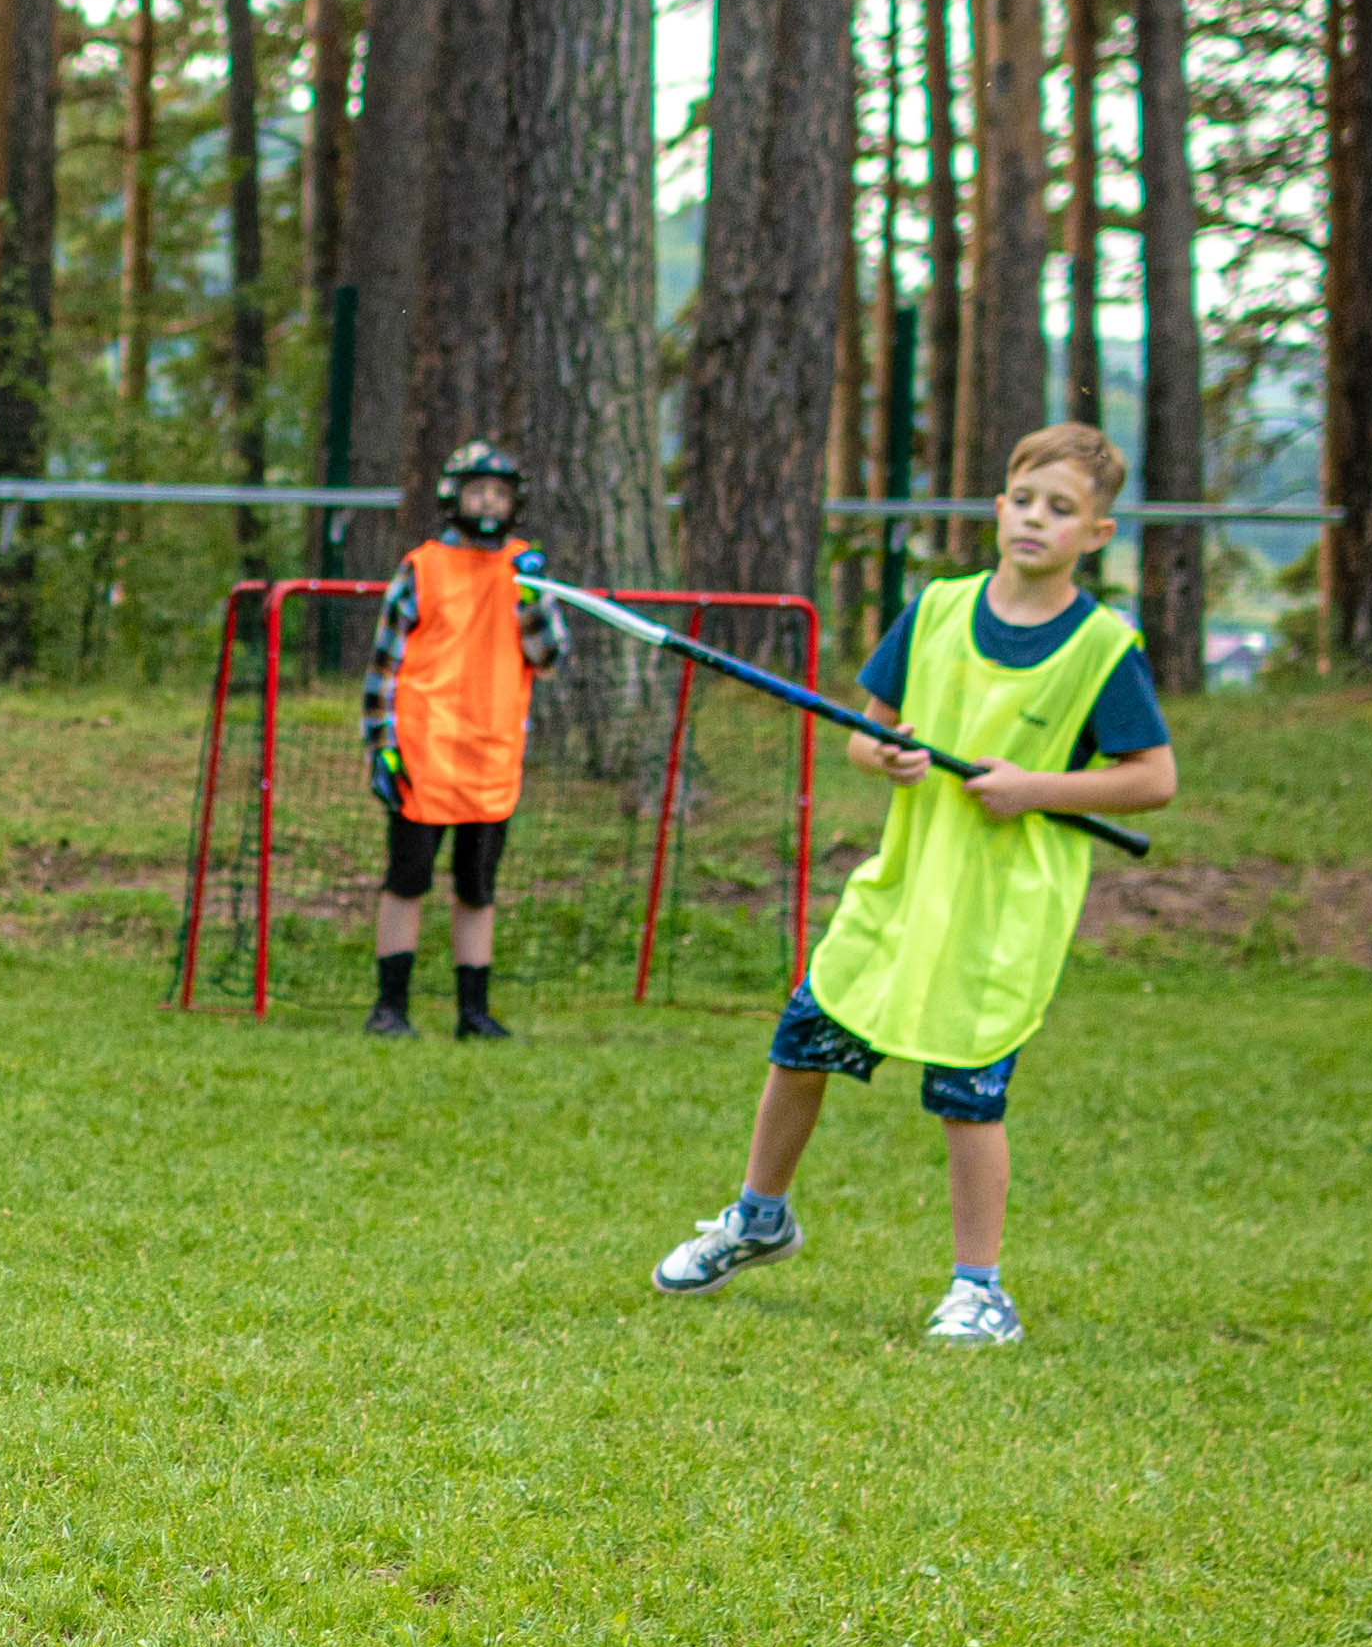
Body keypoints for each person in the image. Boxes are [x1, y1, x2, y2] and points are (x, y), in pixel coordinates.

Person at [650, 423, 1178, 1346]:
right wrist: (884, 756)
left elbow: (1153, 779)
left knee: (969, 1093)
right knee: (802, 1042)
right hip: (902, 886)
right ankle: (759, 1218)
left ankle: (980, 1290)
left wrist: (1035, 788)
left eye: (1061, 510)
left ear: (1096, 535)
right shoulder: (936, 609)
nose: (1035, 520)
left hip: (1001, 913)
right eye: (1023, 501)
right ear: (998, 506)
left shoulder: (1102, 647)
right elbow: (869, 734)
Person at [360, 441, 568, 1041]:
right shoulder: (422, 568)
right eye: (478, 492)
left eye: (500, 494)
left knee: (478, 889)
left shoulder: (527, 570)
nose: (489, 504)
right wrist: (381, 746)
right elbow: (384, 666)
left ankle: (473, 1013)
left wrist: (531, 598)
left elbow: (548, 657)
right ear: (453, 497)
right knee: (407, 879)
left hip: (491, 758)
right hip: (424, 754)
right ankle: (390, 1007)